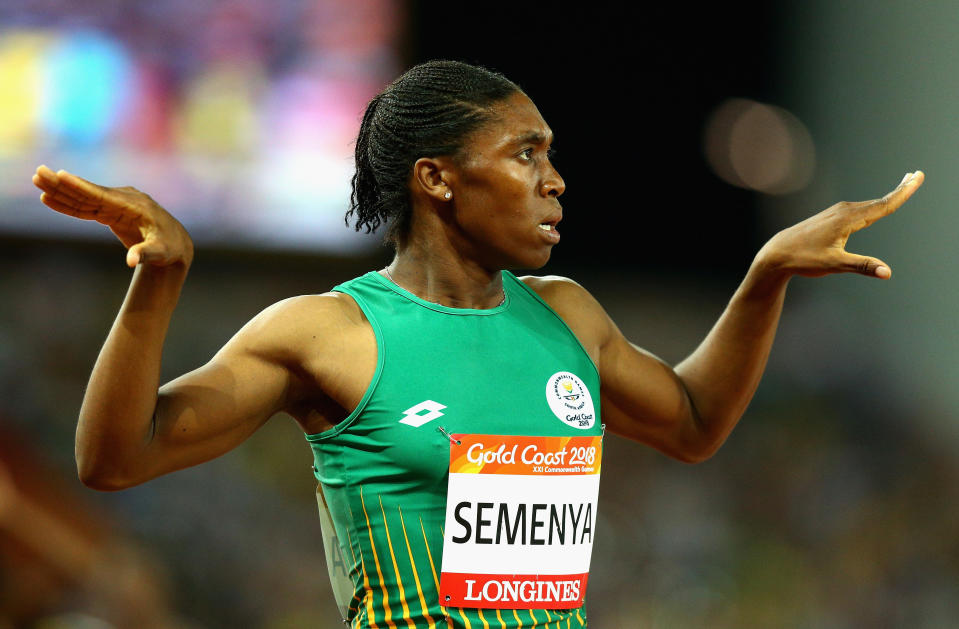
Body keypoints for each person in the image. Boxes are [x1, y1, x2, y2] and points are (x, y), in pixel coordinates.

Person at [32, 60, 923, 628]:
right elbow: (115, 458)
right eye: (525, 154)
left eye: (550, 155)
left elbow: (691, 421)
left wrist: (764, 276)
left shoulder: (566, 315)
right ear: (438, 180)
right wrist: (157, 280)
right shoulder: (327, 332)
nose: (555, 180)